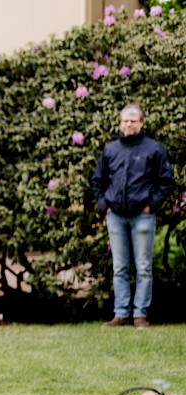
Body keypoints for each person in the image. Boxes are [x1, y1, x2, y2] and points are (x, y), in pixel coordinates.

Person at [90, 103, 175, 330]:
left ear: (141, 124)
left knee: (144, 267)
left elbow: (166, 181)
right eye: (125, 120)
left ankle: (140, 314)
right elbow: (98, 181)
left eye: (133, 121)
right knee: (119, 267)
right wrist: (104, 204)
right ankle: (121, 313)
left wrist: (151, 205)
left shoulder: (154, 149)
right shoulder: (110, 150)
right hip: (115, 216)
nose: (129, 124)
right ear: (120, 123)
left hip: (142, 216)